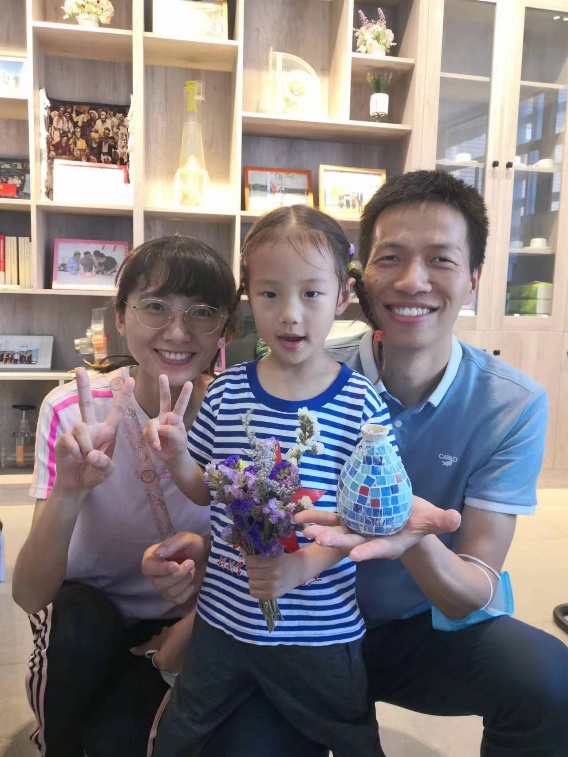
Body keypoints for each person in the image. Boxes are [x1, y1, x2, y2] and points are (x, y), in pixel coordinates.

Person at [144, 170, 568, 756]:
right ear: (364, 277)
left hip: (372, 627)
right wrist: (198, 599)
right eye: (391, 257)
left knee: (548, 680)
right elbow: (220, 495)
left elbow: (470, 586)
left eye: (440, 259)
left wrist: (406, 536)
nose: (413, 280)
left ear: (473, 278)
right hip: (259, 621)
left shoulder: (501, 403)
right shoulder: (261, 380)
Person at [145, 205, 426, 757]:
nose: (290, 315)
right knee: (183, 730)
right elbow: (204, 490)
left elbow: (375, 517)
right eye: (270, 294)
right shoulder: (226, 393)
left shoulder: (360, 403)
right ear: (248, 296)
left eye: (311, 294)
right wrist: (177, 456)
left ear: (342, 296)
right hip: (223, 621)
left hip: (319, 632)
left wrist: (304, 566)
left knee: (351, 737)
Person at [12, 235, 238, 757]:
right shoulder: (73, 409)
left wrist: (193, 627)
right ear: (120, 316)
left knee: (118, 741)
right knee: (78, 629)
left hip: (191, 619)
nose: (177, 332)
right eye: (155, 306)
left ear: (224, 330)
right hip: (86, 617)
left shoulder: (240, 416)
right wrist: (69, 490)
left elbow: (260, 562)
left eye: (202, 312)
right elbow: (29, 594)